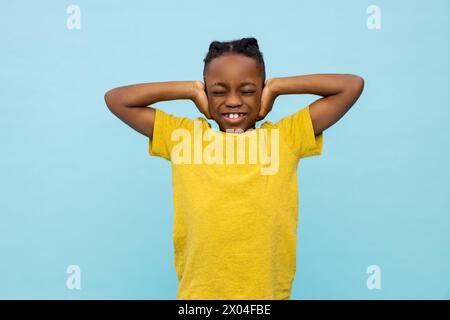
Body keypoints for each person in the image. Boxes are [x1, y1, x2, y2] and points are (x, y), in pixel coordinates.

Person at [104, 37, 364, 299]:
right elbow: (117, 99)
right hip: (200, 297)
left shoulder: (285, 137)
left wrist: (276, 87)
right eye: (218, 91)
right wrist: (191, 89)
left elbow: (350, 86)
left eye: (248, 90)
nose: (232, 101)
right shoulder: (183, 137)